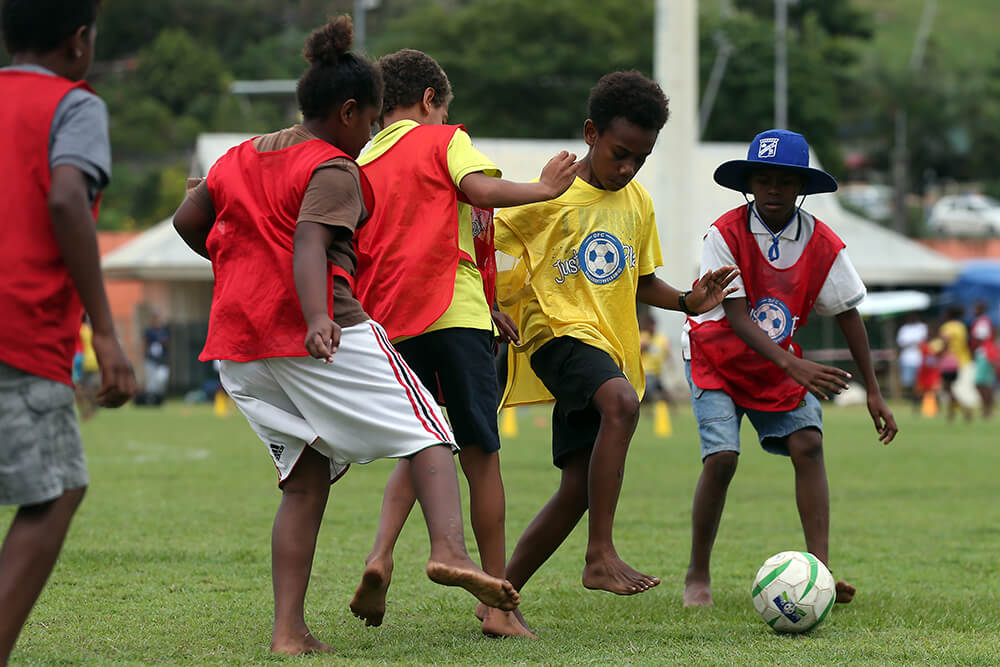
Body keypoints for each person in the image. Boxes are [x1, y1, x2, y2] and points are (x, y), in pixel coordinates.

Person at [172, 17, 518, 656]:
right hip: (315, 331)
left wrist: (234, 267)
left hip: (239, 350)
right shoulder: (333, 166)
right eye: (370, 122)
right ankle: (448, 550)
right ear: (349, 112)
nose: (372, 136)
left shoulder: (238, 155)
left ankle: (288, 632)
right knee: (432, 432)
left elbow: (188, 219)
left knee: (303, 484)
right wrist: (315, 316)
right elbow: (309, 240)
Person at [492, 71, 738, 629]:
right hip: (553, 333)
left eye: (641, 158)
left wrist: (687, 300)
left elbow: (639, 278)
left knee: (577, 489)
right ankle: (599, 554)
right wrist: (487, 302)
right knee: (622, 403)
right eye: (620, 153)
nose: (628, 168)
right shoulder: (546, 196)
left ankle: (495, 601)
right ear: (590, 134)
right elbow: (484, 242)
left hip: (607, 344)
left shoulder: (637, 202)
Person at [347, 48, 577, 639]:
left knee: (420, 444)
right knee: (480, 458)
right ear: (430, 100)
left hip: (390, 325)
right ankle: (500, 605)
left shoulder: (363, 158)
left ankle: (380, 556)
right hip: (452, 311)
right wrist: (544, 188)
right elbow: (478, 191)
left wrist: (493, 302)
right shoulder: (444, 139)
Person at [682, 129, 898, 608]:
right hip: (716, 357)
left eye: (784, 180)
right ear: (749, 184)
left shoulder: (824, 243)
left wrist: (874, 391)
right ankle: (697, 574)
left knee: (809, 444)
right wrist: (794, 364)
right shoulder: (724, 233)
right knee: (721, 459)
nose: (773, 189)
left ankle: (818, 575)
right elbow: (735, 315)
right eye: (763, 179)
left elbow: (847, 313)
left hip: (776, 363)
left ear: (801, 187)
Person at [0, 1, 138, 663]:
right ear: (80, 42)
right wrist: (105, 331)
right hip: (17, 330)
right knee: (58, 488)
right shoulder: (74, 106)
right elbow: (64, 197)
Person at [938, 306, 972, 421]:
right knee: (951, 388)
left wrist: (941, 355)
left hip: (949, 361)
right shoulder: (961, 326)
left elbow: (945, 341)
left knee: (947, 387)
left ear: (948, 315)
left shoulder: (947, 327)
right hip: (962, 359)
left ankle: (962, 409)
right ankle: (952, 412)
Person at [896, 313, 928, 410]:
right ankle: (912, 400)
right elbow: (902, 342)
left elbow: (923, 341)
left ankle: (919, 401)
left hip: (920, 359)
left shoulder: (922, 327)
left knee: (920, 382)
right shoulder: (904, 328)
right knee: (908, 382)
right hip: (907, 359)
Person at [639, 314, 670, 405]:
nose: (652, 327)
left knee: (663, 392)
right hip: (646, 371)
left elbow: (666, 352)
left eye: (653, 325)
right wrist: (644, 347)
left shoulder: (661, 338)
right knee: (649, 391)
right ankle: (645, 406)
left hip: (657, 371)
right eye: (650, 325)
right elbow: (639, 352)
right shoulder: (643, 337)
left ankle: (672, 410)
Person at [142, 312, 170, 405]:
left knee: (162, 379)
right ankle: (151, 400)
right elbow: (145, 344)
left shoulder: (163, 332)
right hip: (151, 359)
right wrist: (145, 355)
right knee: (151, 381)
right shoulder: (149, 331)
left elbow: (166, 344)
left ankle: (161, 399)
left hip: (161, 360)